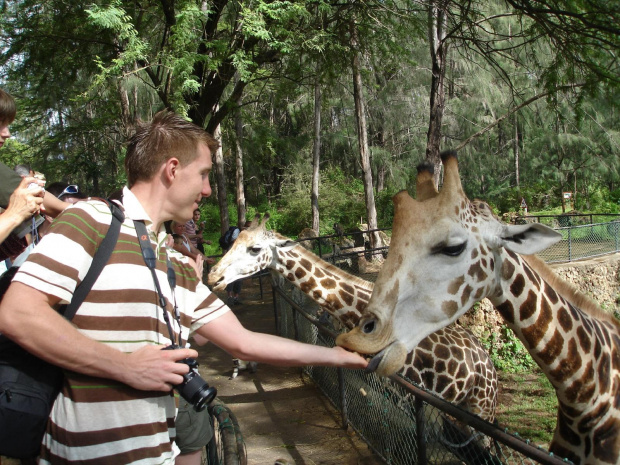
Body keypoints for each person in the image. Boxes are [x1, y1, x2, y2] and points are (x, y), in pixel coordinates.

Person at [0, 110, 366, 463]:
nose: (207, 189)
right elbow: (17, 314)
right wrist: (125, 367)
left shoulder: (174, 262)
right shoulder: (91, 220)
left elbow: (244, 342)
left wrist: (337, 356)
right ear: (172, 170)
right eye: (204, 174)